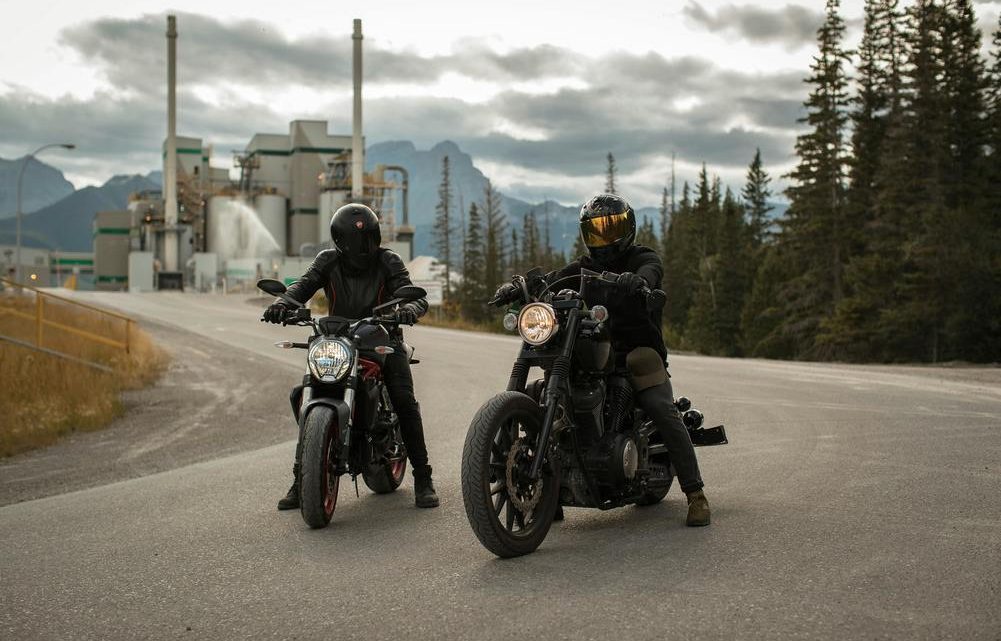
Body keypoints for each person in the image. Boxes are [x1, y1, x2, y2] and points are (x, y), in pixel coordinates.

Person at [494, 193, 710, 526]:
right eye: (596, 231)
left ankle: (696, 494)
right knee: (542, 392)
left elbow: (652, 271)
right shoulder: (584, 268)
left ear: (629, 228)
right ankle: (551, 488)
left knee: (659, 406)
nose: (605, 238)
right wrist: (521, 285)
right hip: (593, 345)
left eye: (611, 229)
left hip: (637, 349)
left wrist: (639, 283)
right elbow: (553, 279)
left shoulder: (642, 258)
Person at [263, 203, 439, 509]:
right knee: (305, 392)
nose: (366, 245)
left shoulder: (388, 261)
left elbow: (409, 291)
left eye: (370, 237)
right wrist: (283, 303)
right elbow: (302, 287)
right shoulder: (327, 261)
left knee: (404, 401)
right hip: (338, 339)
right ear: (340, 241)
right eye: (360, 239)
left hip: (383, 338)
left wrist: (409, 309)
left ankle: (423, 477)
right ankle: (301, 479)